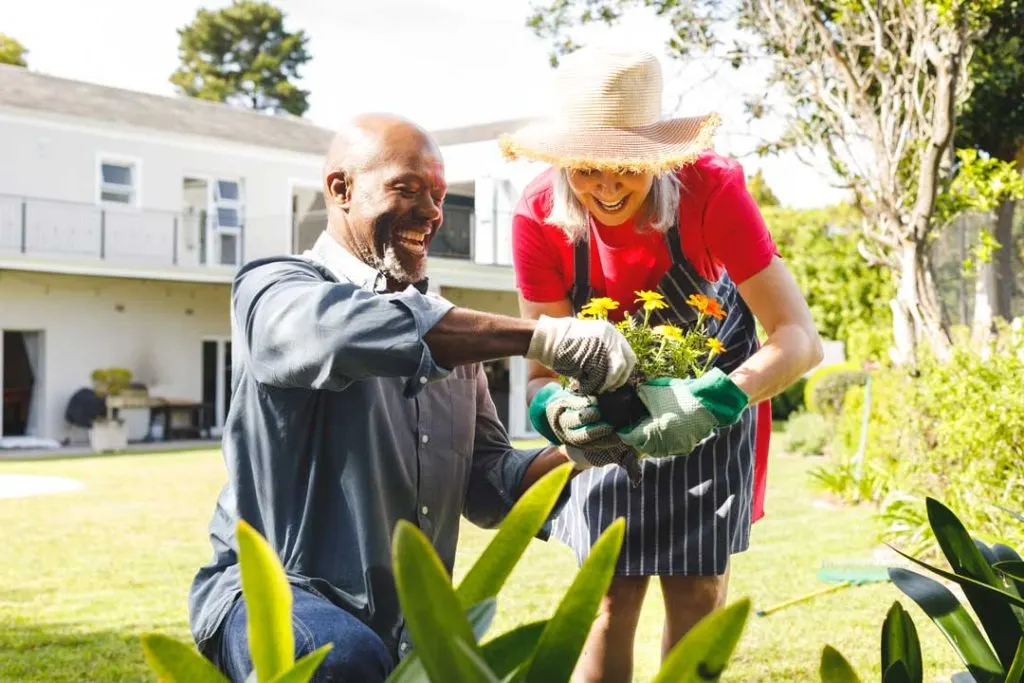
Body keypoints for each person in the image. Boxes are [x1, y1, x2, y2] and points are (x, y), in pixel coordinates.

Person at [187, 113, 640, 683]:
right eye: (407, 188)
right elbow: (337, 332)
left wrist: (584, 448)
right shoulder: (274, 288)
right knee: (343, 661)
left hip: (408, 622)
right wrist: (545, 336)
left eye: (439, 195)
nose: (431, 213)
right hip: (275, 593)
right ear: (341, 189)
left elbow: (488, 484)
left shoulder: (456, 346)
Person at [502, 49, 823, 682]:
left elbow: (798, 339)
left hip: (716, 389)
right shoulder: (537, 216)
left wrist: (718, 400)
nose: (607, 187)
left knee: (697, 589)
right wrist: (555, 411)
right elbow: (541, 374)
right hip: (604, 408)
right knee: (607, 596)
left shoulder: (712, 190)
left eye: (627, 167)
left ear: (658, 155)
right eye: (587, 169)